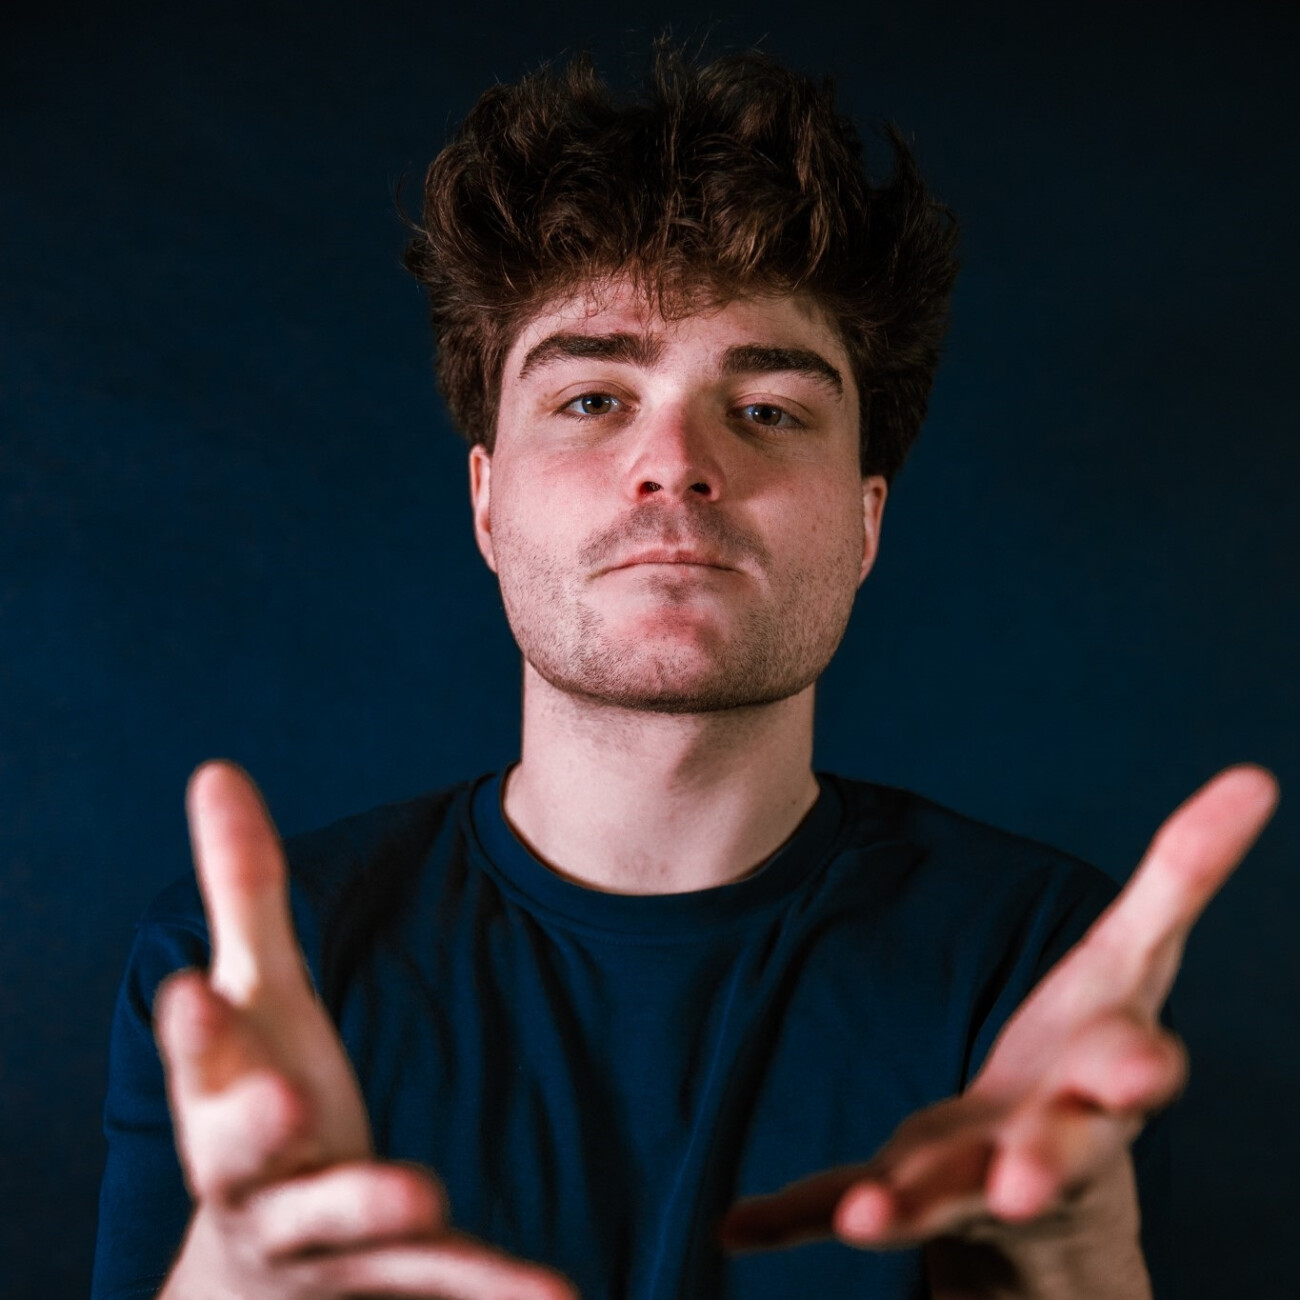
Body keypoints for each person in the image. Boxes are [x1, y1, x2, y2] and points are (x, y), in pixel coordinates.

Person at [91, 44, 1277, 1300]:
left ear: (864, 522)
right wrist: (232, 1275)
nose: (675, 464)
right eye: (592, 400)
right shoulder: (243, 977)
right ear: (486, 503)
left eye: (766, 410)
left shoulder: (1033, 966)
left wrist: (1075, 1265)